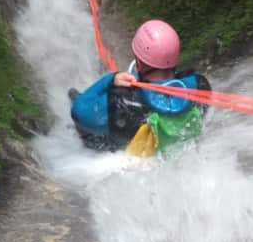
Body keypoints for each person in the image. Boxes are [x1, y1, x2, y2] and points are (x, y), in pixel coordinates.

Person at [68, 19, 211, 155]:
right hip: (171, 153)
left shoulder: (119, 104)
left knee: (77, 100)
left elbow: (77, 112)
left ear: (140, 64)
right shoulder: (200, 87)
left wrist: (110, 79)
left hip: (117, 153)